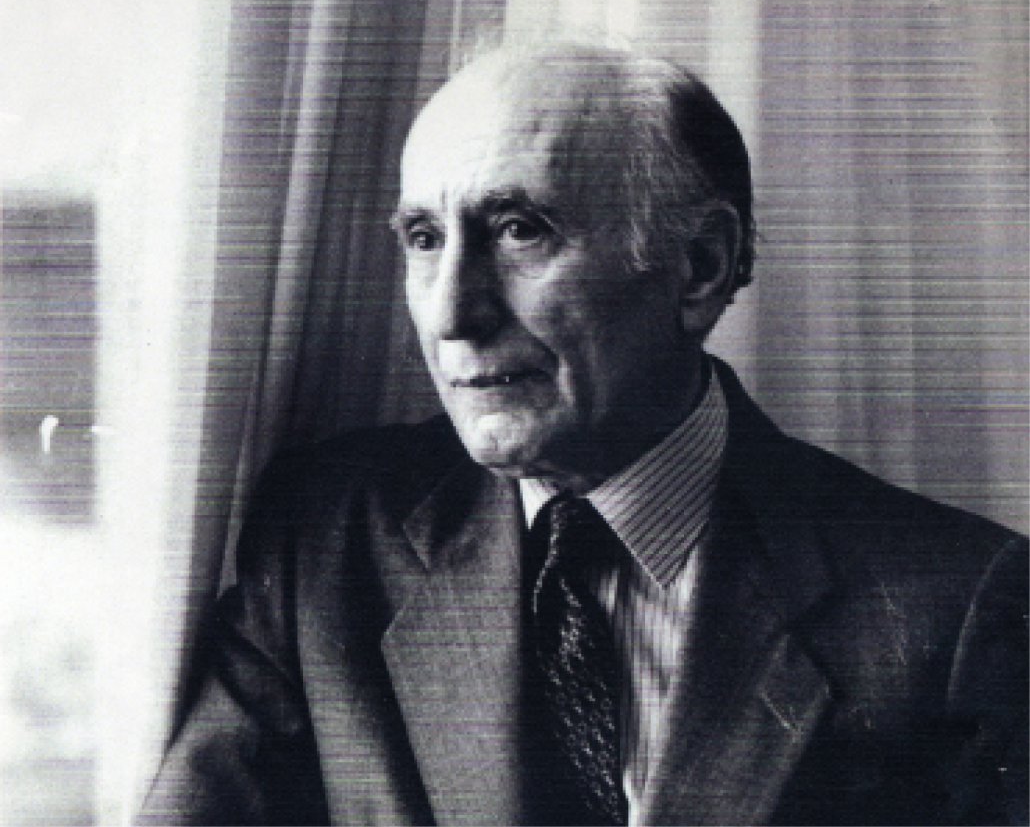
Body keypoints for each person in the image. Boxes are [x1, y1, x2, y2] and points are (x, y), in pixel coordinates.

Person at [139, 42, 1030, 827]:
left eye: (521, 230)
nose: (451, 314)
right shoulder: (326, 546)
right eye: (422, 238)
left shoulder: (956, 608)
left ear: (701, 267)